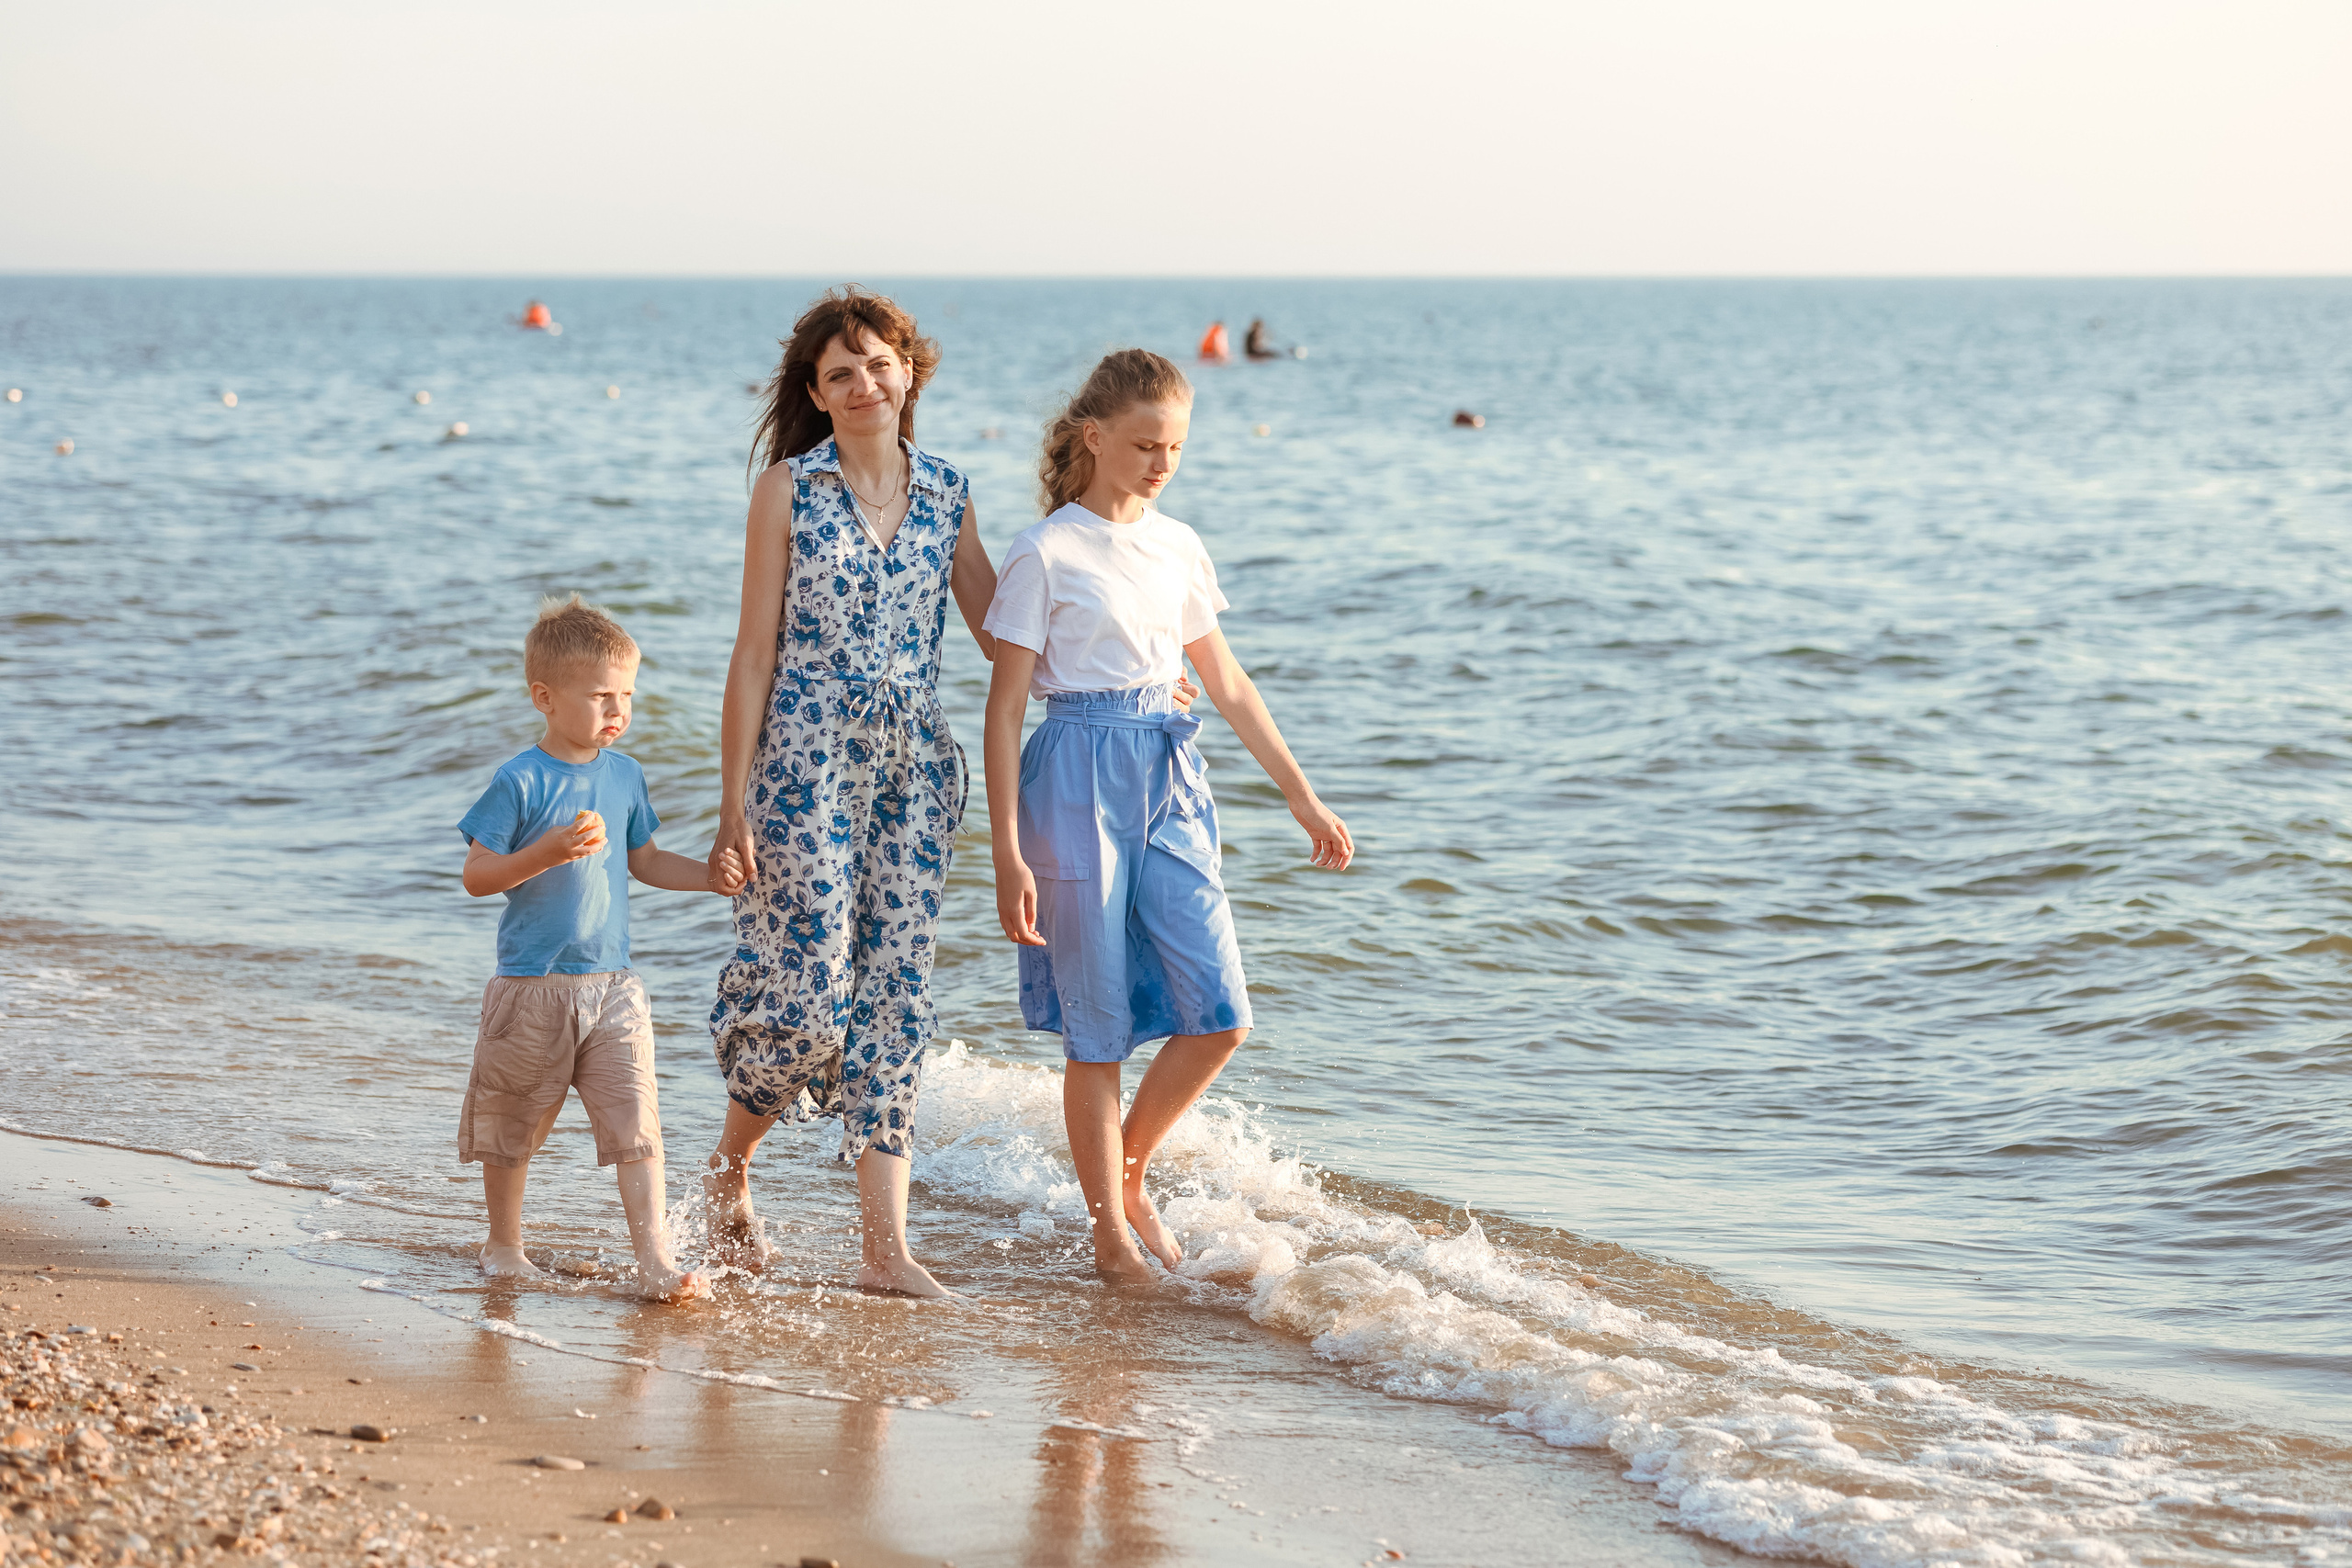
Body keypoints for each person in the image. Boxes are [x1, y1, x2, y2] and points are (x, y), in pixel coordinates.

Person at [980, 349, 1354, 1282]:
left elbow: (1225, 680)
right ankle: (1109, 1229)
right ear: (1094, 436)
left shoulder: (1178, 544)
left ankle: (1130, 1170)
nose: (1161, 462)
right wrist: (1005, 851)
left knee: (1220, 1012)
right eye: (1146, 444)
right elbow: (1004, 708)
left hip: (1169, 772)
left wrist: (1300, 792)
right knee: (1097, 1026)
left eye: (1176, 447)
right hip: (1073, 777)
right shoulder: (1044, 551)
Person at [698, 287, 1001, 1299]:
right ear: (818, 395)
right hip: (804, 766)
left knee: (896, 993)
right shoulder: (787, 489)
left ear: (908, 371)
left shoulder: (948, 491)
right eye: (841, 373)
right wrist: (732, 801)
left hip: (915, 771)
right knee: (812, 992)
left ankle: (885, 1251)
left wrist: (1133, 668)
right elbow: (752, 654)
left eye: (878, 363)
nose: (864, 383)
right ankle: (730, 1163)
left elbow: (1006, 632)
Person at [456, 596, 737, 1302]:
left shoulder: (624, 774)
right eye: (601, 696)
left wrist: (711, 878)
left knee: (637, 1120)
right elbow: (477, 875)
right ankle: (504, 1244)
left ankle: (655, 1260)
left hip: (614, 986)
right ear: (545, 698)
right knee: (513, 1123)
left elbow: (646, 860)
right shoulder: (520, 779)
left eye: (628, 695)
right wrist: (545, 852)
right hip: (531, 984)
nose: (618, 710)